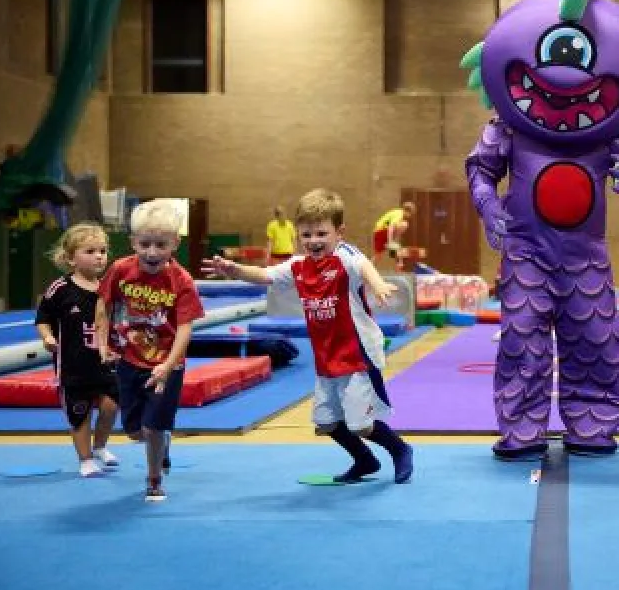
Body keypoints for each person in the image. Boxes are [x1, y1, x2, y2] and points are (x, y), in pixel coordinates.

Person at [203, 188, 414, 484]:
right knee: (326, 422)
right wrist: (233, 269)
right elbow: (265, 275)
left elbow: (365, 265)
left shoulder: (344, 256)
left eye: (321, 234)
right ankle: (365, 460)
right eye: (306, 235)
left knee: (361, 426)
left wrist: (378, 284)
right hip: (327, 357)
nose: (313, 241)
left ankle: (401, 449)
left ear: (339, 233)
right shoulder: (298, 266)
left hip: (357, 353)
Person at [95, 200, 205, 502]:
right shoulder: (120, 270)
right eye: (144, 244)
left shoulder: (181, 280)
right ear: (133, 242)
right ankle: (162, 441)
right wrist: (103, 342)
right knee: (134, 431)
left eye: (161, 245)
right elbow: (103, 304)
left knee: (153, 426)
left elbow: (185, 328)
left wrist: (169, 365)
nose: (152, 252)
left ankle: (154, 478)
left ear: (175, 244)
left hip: (166, 364)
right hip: (129, 360)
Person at [35, 223, 119, 478]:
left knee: (110, 407)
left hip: (104, 363)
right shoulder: (60, 289)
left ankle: (100, 446)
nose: (99, 256)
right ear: (71, 258)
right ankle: (85, 460)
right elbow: (43, 317)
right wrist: (48, 337)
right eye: (90, 251)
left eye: (103, 251)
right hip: (73, 366)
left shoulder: (109, 288)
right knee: (79, 414)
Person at [371, 201, 415, 266]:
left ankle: (368, 269)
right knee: (405, 224)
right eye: (411, 214)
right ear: (408, 211)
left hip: (378, 232)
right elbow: (391, 227)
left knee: (378, 256)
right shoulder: (400, 213)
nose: (410, 216)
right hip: (382, 231)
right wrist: (390, 241)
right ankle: (393, 248)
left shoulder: (397, 212)